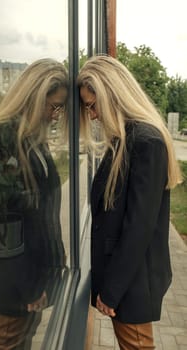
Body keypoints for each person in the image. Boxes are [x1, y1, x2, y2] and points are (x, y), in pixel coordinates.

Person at [77, 55, 182, 350]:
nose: (93, 115)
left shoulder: (145, 141)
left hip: (132, 283)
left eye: (92, 105)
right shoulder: (125, 139)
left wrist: (111, 291)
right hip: (125, 278)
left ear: (111, 95)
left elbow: (139, 228)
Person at [0, 58, 68, 349]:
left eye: (59, 108)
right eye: (52, 106)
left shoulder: (33, 140)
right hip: (18, 276)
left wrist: (52, 266)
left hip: (36, 269)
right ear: (32, 97)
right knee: (10, 340)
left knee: (23, 338)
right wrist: (28, 286)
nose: (55, 115)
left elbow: (42, 210)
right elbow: (3, 224)